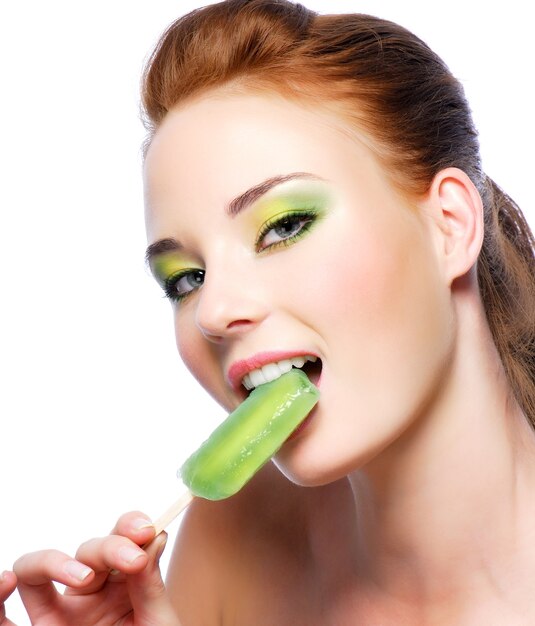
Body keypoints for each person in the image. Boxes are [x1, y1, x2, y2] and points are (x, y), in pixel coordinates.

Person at [10, 0, 535, 623]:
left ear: (449, 226)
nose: (213, 310)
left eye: (285, 226)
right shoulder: (237, 531)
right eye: (187, 279)